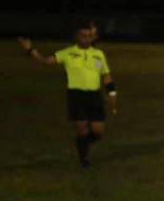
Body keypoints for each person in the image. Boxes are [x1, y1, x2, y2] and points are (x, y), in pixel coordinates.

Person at [17, 24, 117, 169]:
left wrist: (112, 94)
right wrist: (30, 50)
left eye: (89, 36)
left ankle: (82, 143)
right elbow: (46, 61)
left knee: (98, 132)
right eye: (83, 35)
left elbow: (106, 76)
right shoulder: (68, 53)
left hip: (94, 96)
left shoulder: (99, 54)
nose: (86, 38)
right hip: (76, 95)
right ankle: (84, 159)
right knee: (81, 128)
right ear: (77, 36)